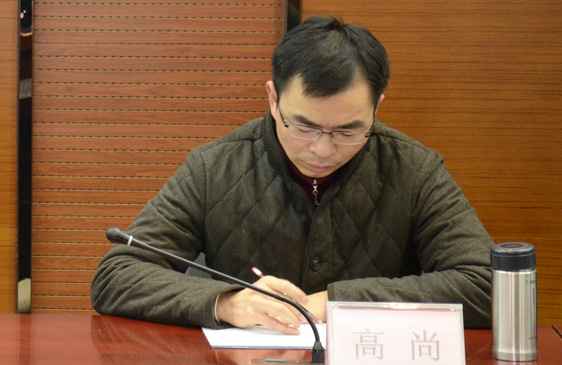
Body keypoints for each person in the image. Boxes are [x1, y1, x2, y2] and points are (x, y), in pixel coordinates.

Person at [91, 16, 494, 334]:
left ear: (377, 108)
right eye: (304, 126)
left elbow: (488, 285)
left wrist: (337, 302)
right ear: (273, 98)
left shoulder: (414, 170)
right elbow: (117, 276)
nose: (322, 150)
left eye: (348, 131)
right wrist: (227, 302)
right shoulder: (215, 168)